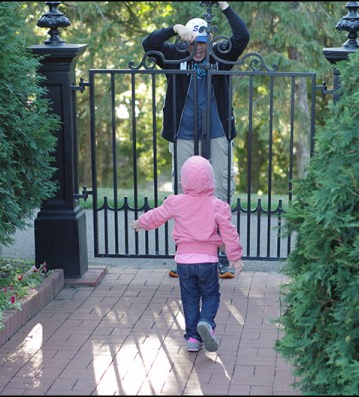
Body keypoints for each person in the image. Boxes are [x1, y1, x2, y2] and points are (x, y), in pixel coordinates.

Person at [142, 1, 250, 279]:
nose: (199, 48)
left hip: (217, 133)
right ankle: (185, 256)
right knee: (185, 196)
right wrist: (174, 28)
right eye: (193, 42)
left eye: (203, 42)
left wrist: (224, 5)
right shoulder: (174, 55)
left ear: (209, 41)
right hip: (184, 135)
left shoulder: (221, 56)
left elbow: (242, 36)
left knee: (221, 192)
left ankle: (222, 255)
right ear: (186, 41)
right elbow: (148, 44)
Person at [131, 155, 244, 353]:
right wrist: (235, 257)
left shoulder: (177, 202)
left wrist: (142, 222)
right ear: (211, 180)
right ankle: (206, 322)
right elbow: (229, 232)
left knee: (190, 299)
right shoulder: (217, 205)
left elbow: (157, 215)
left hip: (183, 262)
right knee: (211, 295)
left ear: (184, 180)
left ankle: (192, 338)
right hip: (208, 261)